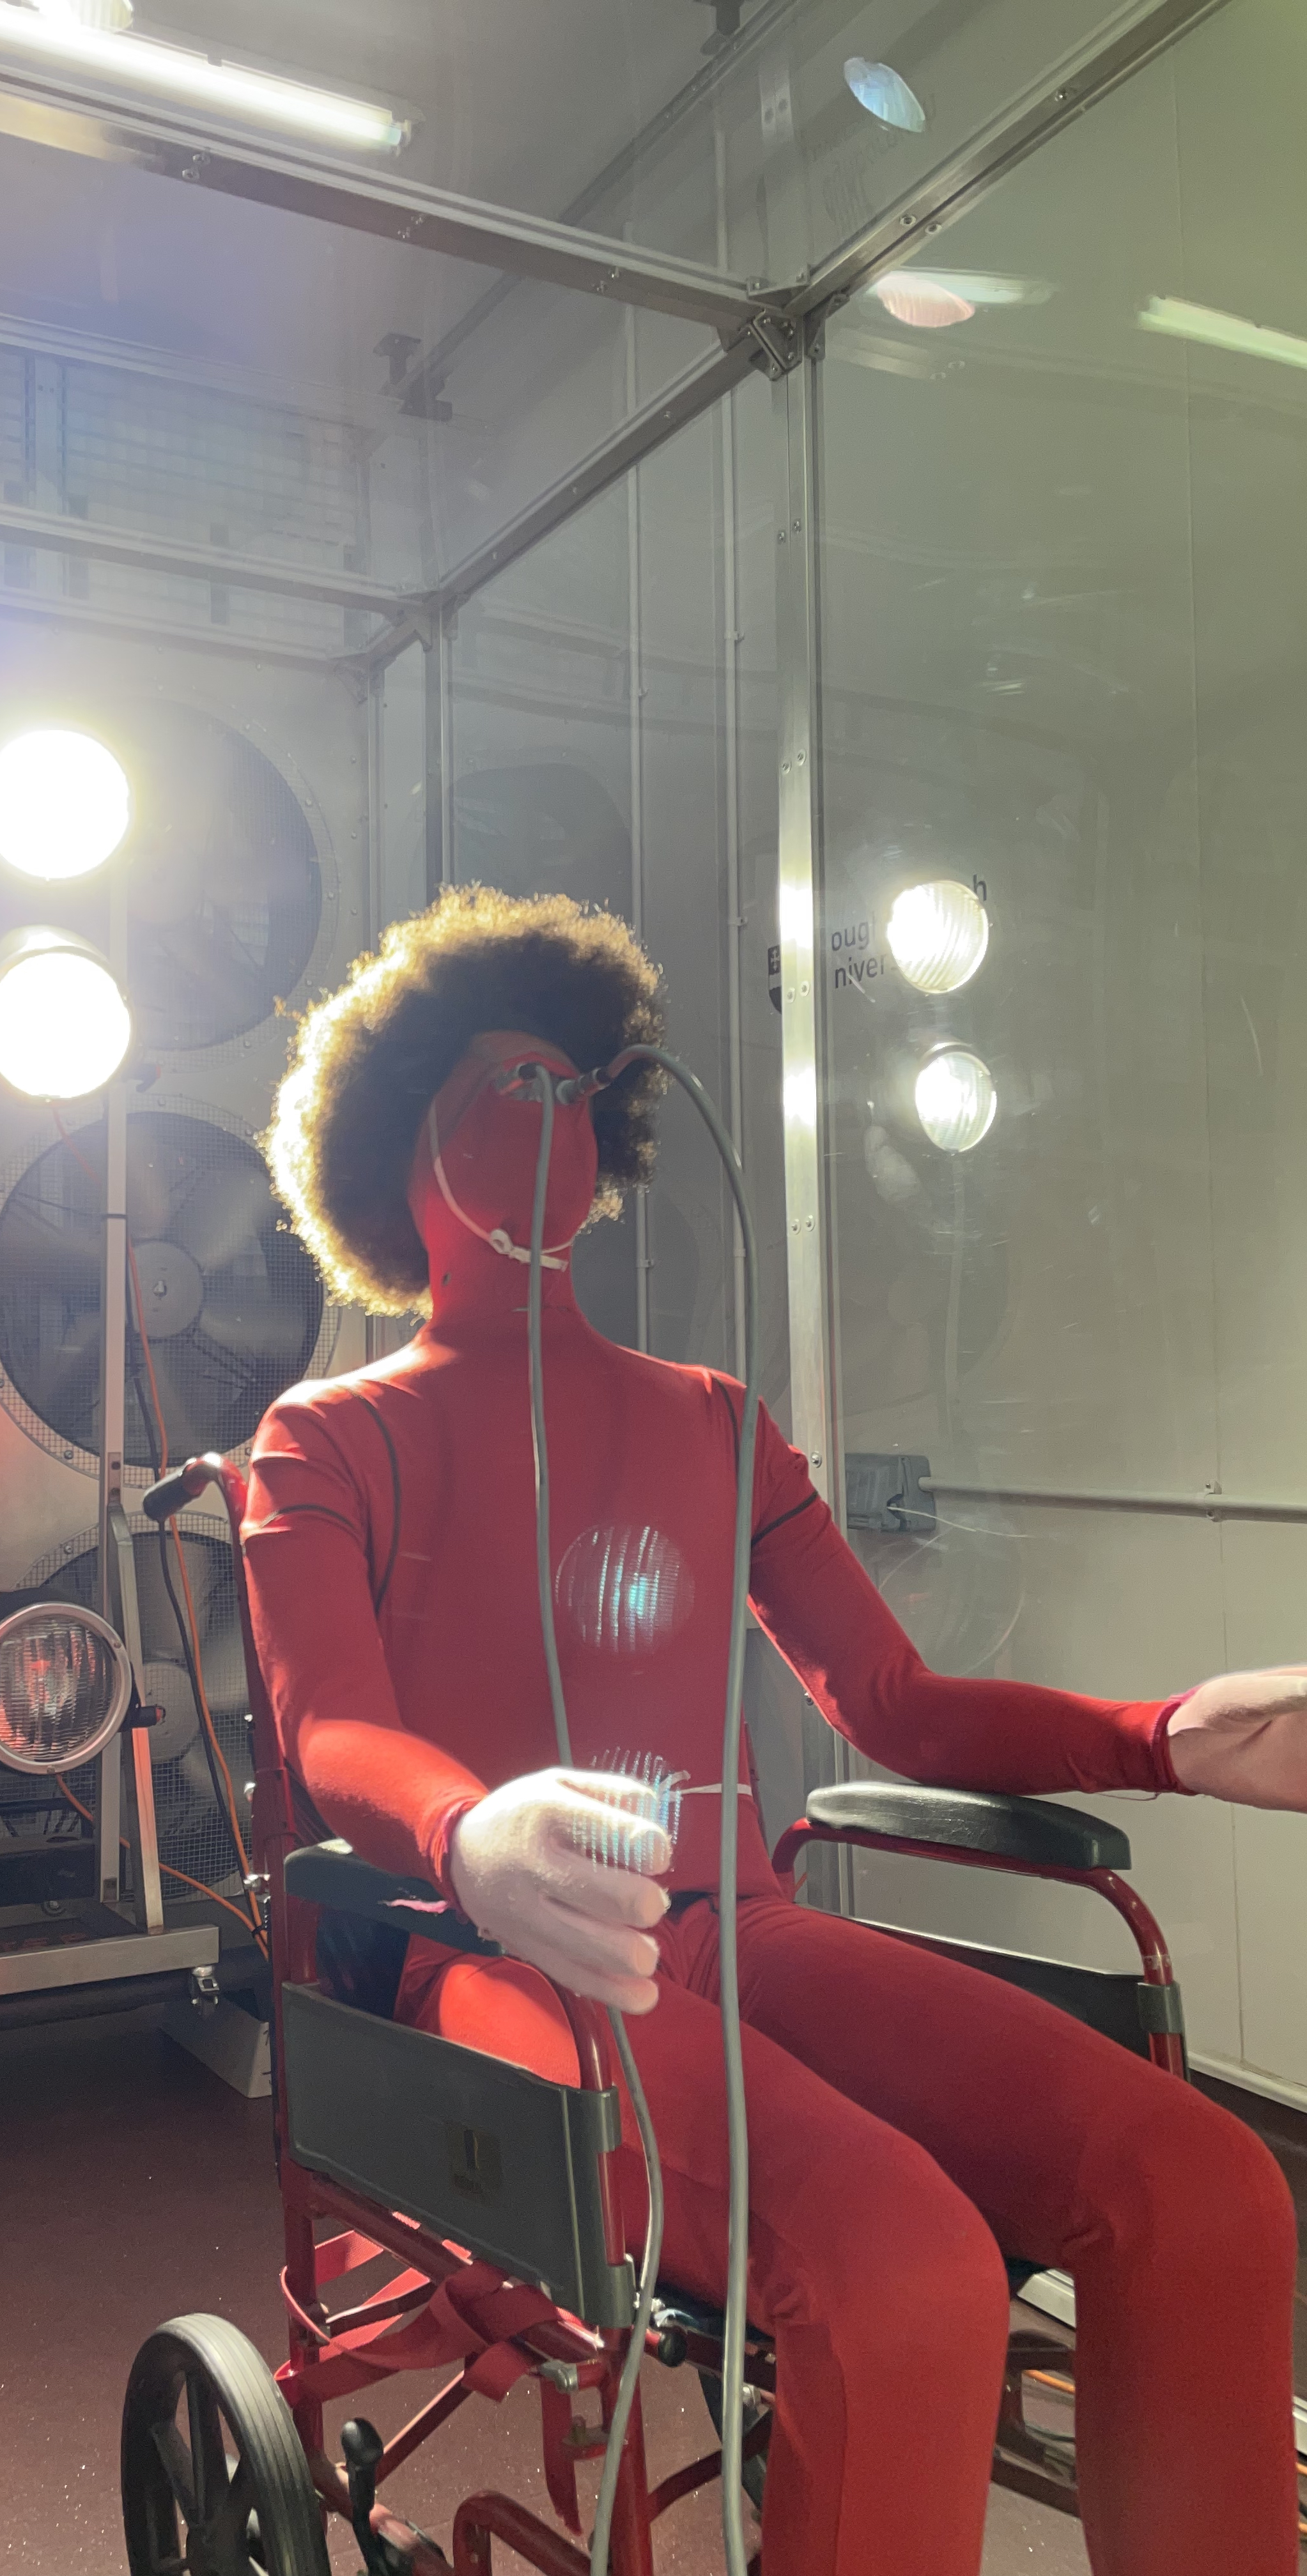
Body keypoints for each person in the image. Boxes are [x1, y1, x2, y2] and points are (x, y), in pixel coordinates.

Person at [242, 885, 1302, 2576]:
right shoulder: (328, 1440)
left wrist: (1168, 1732)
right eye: (504, 1080)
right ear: (398, 1137)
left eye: (571, 1083)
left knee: (1208, 2188)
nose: (549, 1112)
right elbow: (335, 1733)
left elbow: (892, 1703)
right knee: (904, 2270)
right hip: (495, 1961)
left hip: (744, 1925)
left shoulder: (714, 1423)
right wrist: (472, 1835)